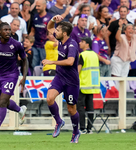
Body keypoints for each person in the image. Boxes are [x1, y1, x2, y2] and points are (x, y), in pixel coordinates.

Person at [0, 22, 28, 141]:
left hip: (11, 75)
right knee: (5, 101)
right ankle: (20, 110)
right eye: (5, 30)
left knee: (3, 102)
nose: (8, 32)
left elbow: (25, 60)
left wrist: (24, 77)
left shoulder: (16, 44)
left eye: (9, 30)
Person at [42, 15, 80, 143]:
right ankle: (59, 121)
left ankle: (76, 132)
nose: (54, 33)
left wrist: (51, 62)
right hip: (60, 77)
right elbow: (49, 27)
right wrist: (53, 19)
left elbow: (70, 62)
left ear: (64, 33)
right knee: (49, 98)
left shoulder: (72, 45)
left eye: (57, 31)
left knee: (71, 109)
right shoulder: (60, 41)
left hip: (72, 81)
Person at [77, 37, 100, 134]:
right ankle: (89, 128)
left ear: (87, 44)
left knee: (80, 107)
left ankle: (82, 128)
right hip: (93, 85)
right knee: (90, 108)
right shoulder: (95, 55)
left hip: (83, 84)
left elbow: (78, 70)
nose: (79, 43)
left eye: (82, 42)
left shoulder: (82, 55)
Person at [29, 0, 52, 69]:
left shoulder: (50, 18)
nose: (37, 8)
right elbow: (32, 31)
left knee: (45, 66)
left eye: (38, 6)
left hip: (45, 47)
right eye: (36, 6)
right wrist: (28, 41)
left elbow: (51, 33)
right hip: (35, 46)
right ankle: (33, 79)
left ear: (44, 6)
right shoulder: (35, 16)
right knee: (34, 65)